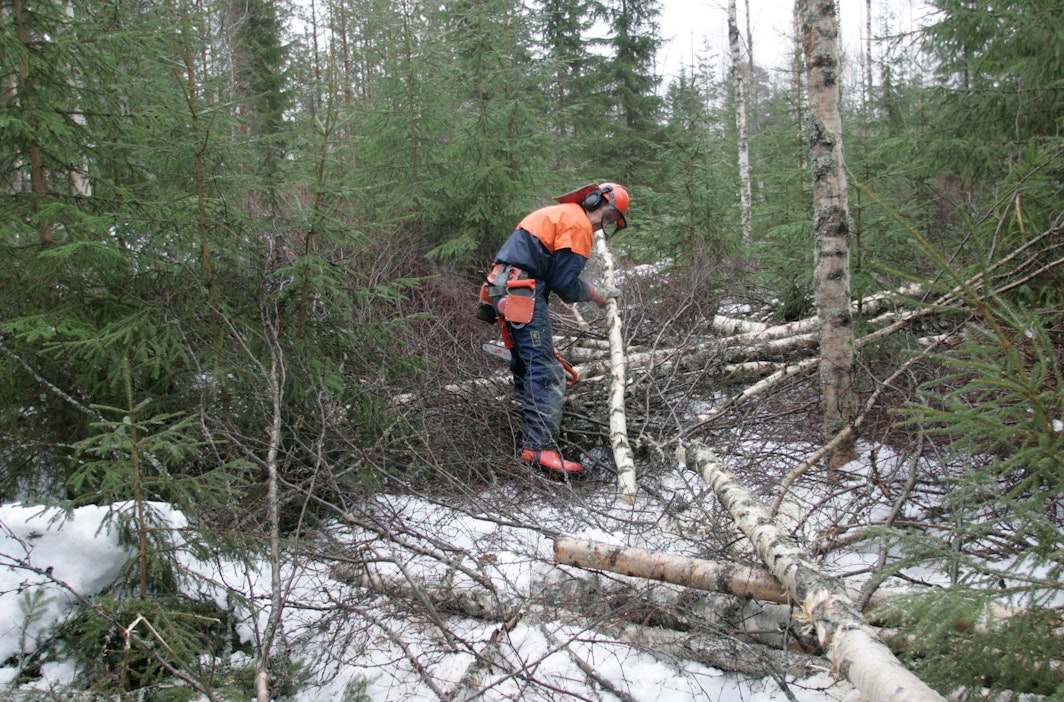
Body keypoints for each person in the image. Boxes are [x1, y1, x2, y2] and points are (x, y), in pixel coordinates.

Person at [484, 182, 629, 478]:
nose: (605, 224)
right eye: (609, 216)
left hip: (504, 287)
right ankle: (539, 448)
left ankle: (525, 430)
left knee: (529, 363)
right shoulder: (577, 224)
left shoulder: (559, 214)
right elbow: (565, 284)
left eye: (612, 222)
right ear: (593, 200)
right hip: (521, 291)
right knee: (546, 371)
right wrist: (595, 292)